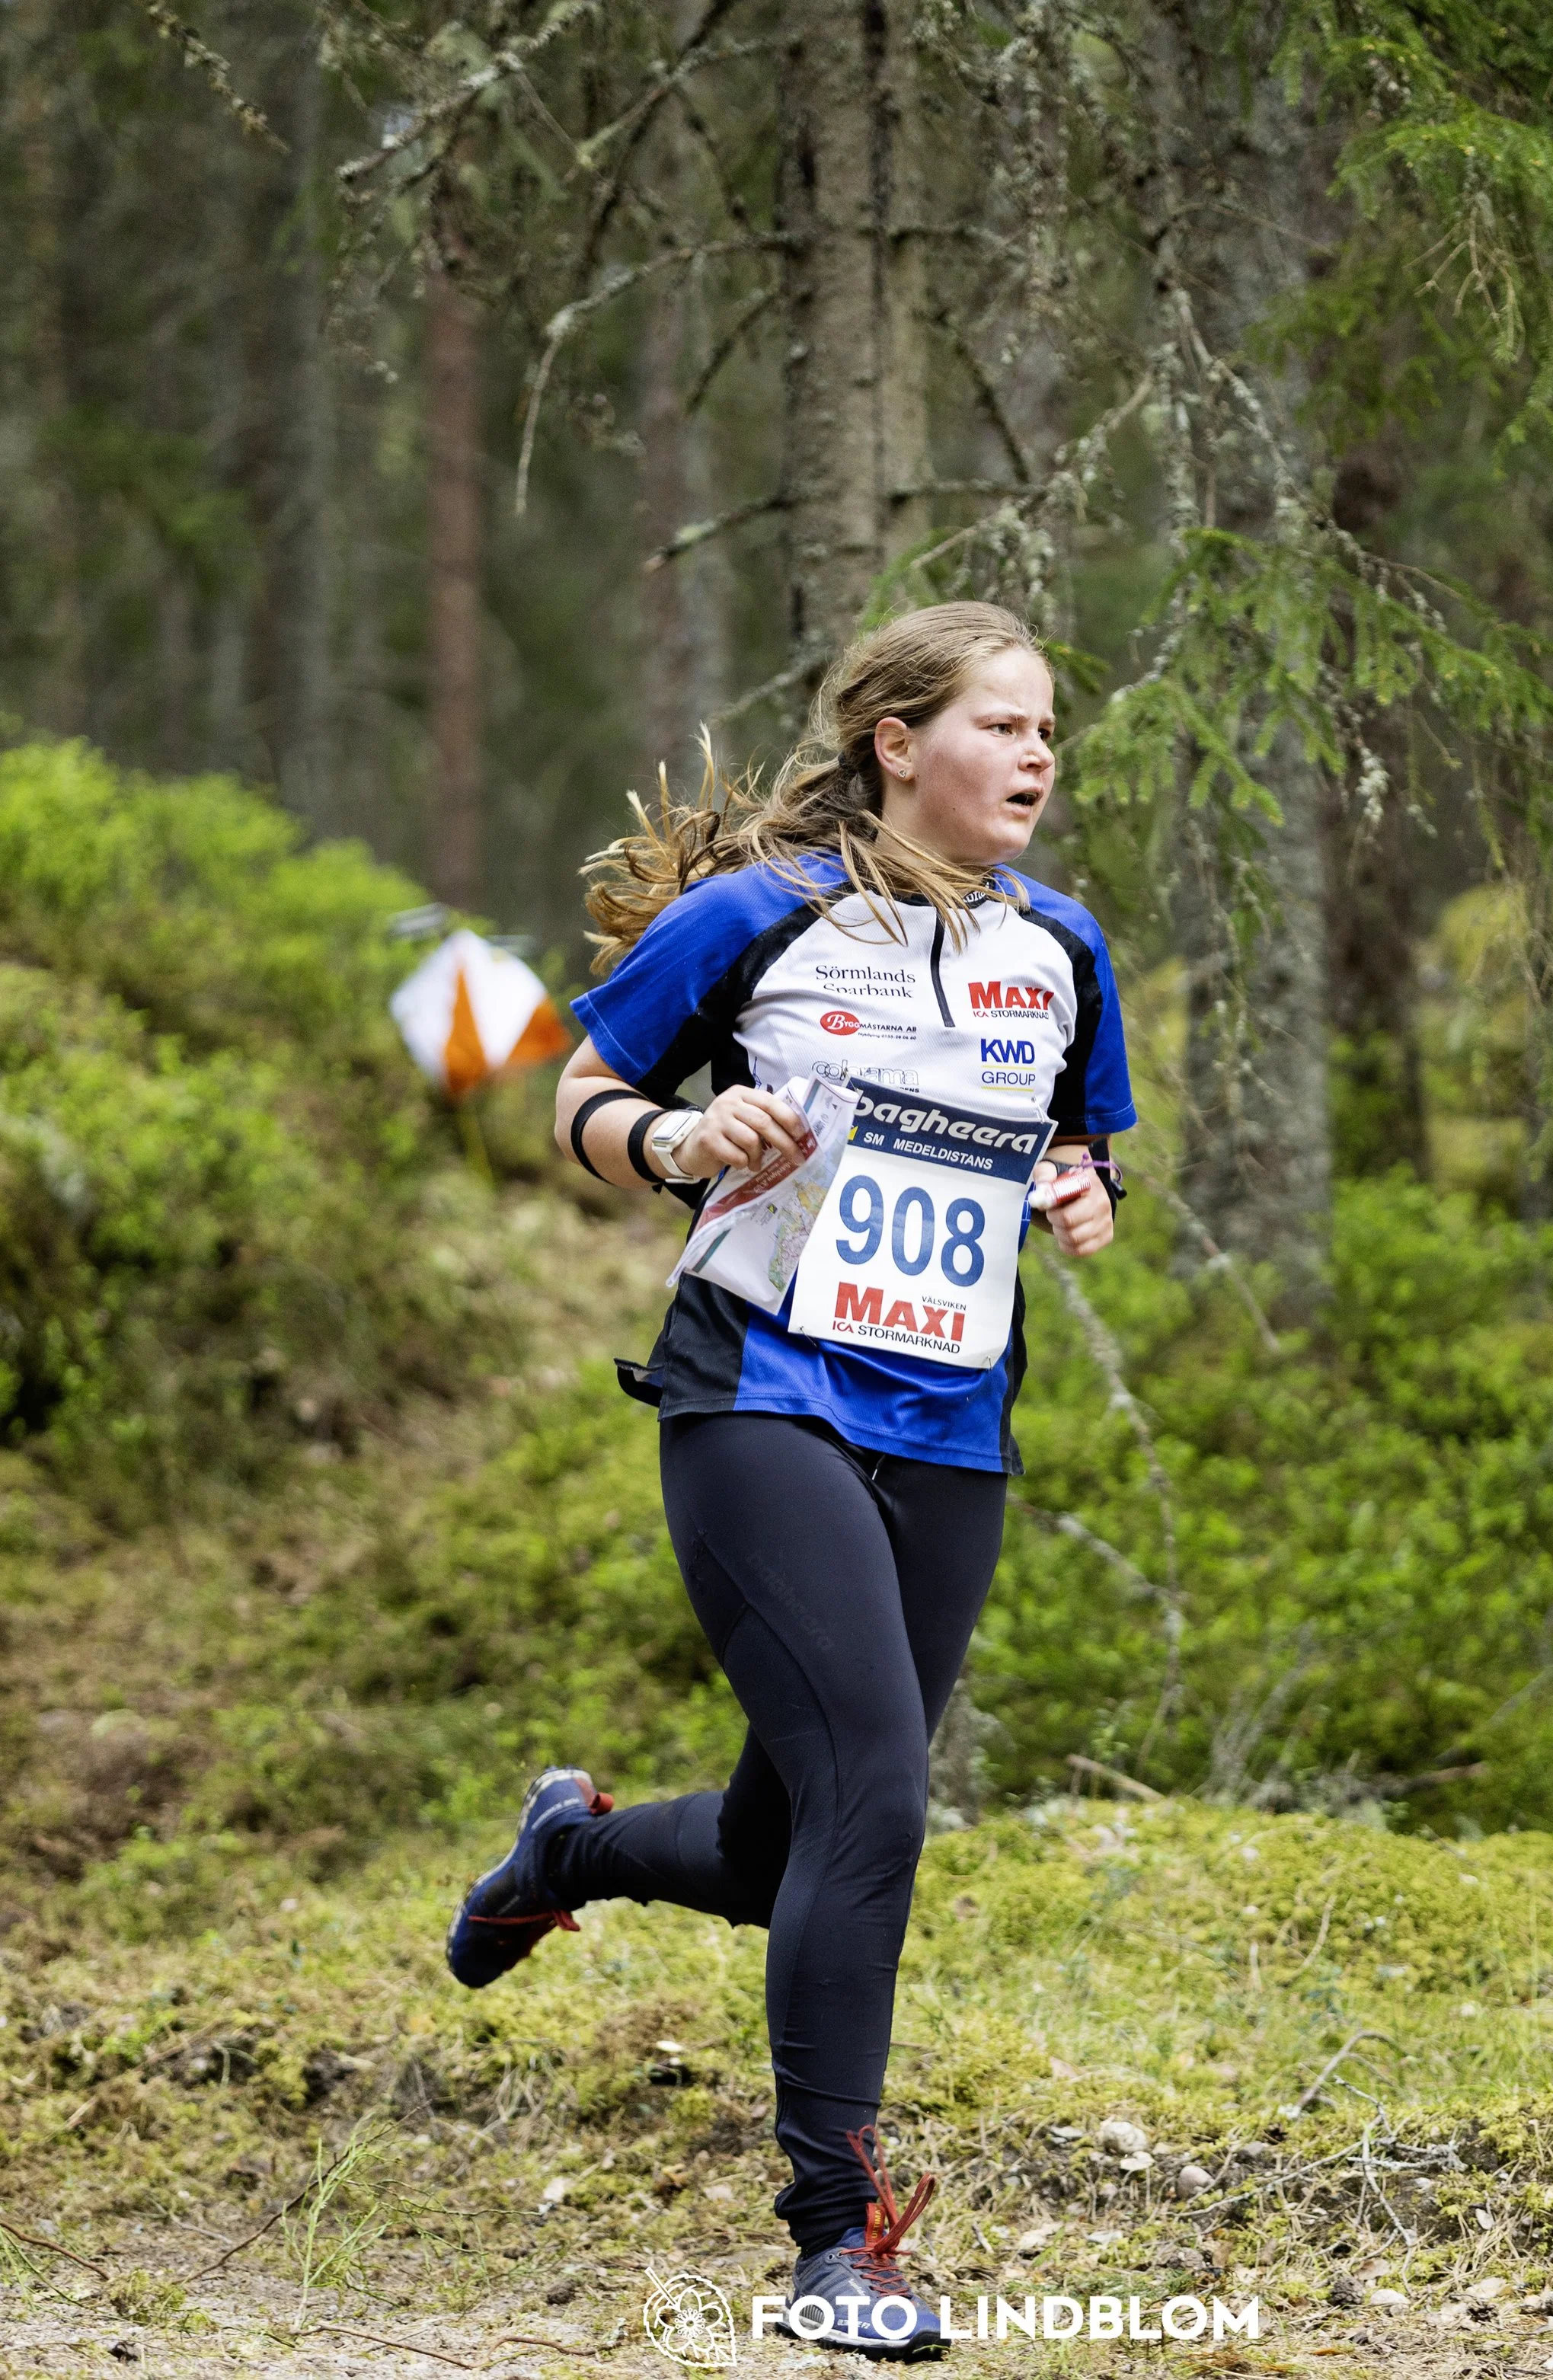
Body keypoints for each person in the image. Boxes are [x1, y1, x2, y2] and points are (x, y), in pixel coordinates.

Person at [444, 602, 1135, 2359]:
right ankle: (840, 2244)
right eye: (1001, 724)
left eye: (1049, 727)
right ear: (898, 740)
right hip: (757, 1390)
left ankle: (571, 1847)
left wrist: (1083, 1196)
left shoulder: (1060, 946)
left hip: (950, 1424)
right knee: (880, 1799)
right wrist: (679, 1135)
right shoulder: (758, 917)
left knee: (782, 1847)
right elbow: (584, 1095)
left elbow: (1079, 1145)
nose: (1039, 755)